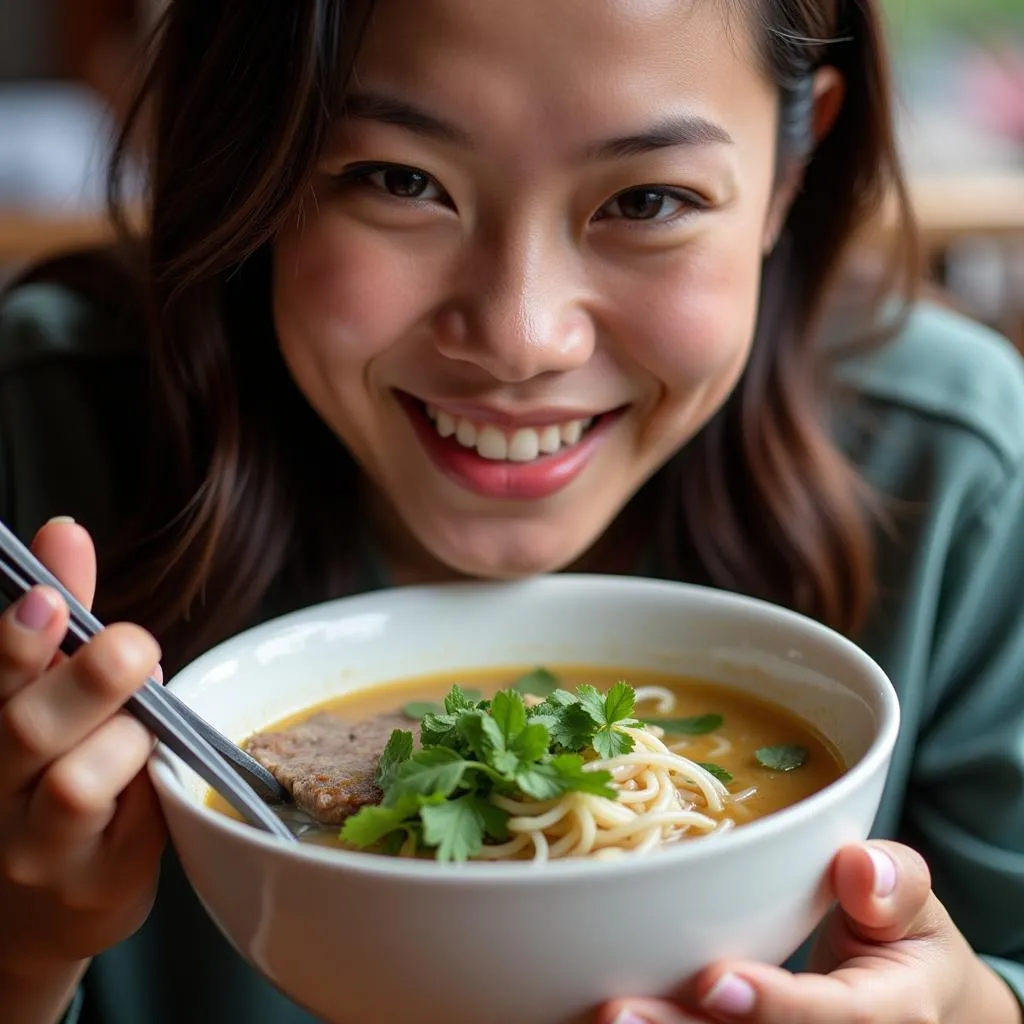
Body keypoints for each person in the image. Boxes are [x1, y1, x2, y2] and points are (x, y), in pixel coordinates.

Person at [1, 2, 1023, 1022]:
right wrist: (23, 952)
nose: (521, 336)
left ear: (786, 177)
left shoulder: (956, 472)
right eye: (400, 181)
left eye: (650, 198)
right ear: (253, 157)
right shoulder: (38, 432)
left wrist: (964, 1009)